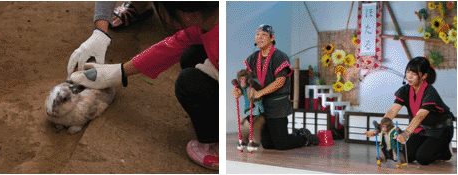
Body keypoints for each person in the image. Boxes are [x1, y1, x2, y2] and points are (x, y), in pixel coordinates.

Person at [69, 1, 219, 170]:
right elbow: (173, 45)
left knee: (188, 83)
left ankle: (220, 148)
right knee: (190, 56)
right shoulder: (214, 19)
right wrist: (120, 71)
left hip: (242, 103)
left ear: (191, 14)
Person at [232, 24, 318, 151]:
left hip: (276, 104)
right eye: (257, 35)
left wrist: (259, 93)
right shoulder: (252, 58)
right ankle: (293, 135)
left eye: (264, 35)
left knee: (281, 144)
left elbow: (280, 82)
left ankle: (305, 138)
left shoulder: (279, 56)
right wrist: (239, 90)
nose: (259, 38)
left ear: (272, 38)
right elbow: (245, 81)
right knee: (267, 145)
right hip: (260, 107)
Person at [364, 57, 454, 165]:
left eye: (414, 74)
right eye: (408, 72)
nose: (409, 76)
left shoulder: (430, 92)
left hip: (441, 129)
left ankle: (445, 152)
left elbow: (419, 116)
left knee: (422, 158)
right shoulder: (405, 90)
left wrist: (405, 134)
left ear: (424, 76)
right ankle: (427, 146)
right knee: (406, 156)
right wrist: (379, 128)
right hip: (421, 129)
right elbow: (392, 111)